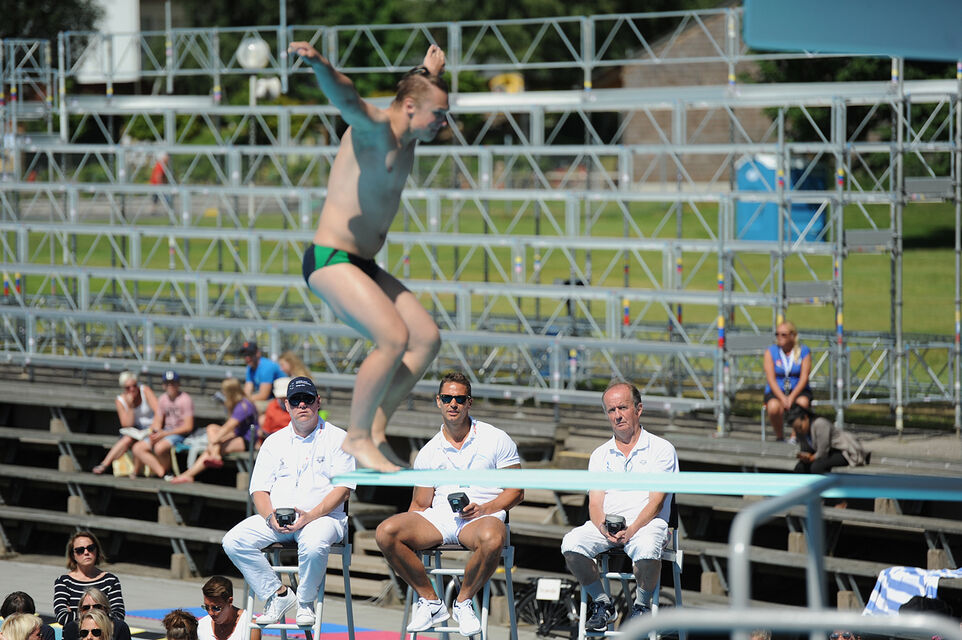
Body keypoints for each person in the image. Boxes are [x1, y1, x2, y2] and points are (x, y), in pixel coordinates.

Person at [287, 40, 449, 471]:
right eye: (438, 114)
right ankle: (356, 437)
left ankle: (375, 424)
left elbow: (416, 93)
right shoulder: (373, 129)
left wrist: (429, 74)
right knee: (393, 337)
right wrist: (320, 64)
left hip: (363, 264)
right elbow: (346, 97)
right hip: (330, 259)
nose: (442, 122)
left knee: (426, 338)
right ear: (411, 107)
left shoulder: (410, 131)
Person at [375, 371, 523, 637]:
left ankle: (463, 602)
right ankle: (431, 601)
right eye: (447, 398)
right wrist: (407, 543)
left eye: (459, 399)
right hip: (440, 519)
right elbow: (420, 504)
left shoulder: (496, 438)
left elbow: (517, 491)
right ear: (438, 401)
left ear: (469, 402)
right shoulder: (429, 451)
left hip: (481, 518)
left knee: (493, 537)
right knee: (386, 532)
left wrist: (485, 508)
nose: (453, 404)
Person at [222, 376, 355, 627]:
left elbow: (343, 490)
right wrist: (269, 517)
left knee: (314, 543)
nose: (302, 405)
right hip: (278, 519)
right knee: (233, 541)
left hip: (324, 518)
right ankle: (278, 594)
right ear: (287, 405)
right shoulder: (274, 441)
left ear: (318, 401)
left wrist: (310, 516)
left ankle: (305, 602)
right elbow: (259, 490)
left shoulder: (339, 438)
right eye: (295, 400)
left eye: (307, 399)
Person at [561, 379, 679, 631]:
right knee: (571, 544)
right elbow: (595, 504)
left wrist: (632, 529)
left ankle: (641, 607)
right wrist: (603, 528)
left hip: (647, 524)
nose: (617, 415)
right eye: (611, 410)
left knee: (647, 548)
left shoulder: (661, 449)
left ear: (638, 409)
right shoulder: (599, 454)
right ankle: (603, 603)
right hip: (609, 525)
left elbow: (657, 502)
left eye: (622, 408)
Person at [170, 378, 257, 484]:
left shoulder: (244, 406)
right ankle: (215, 455)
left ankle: (188, 475)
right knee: (211, 428)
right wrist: (216, 441)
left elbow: (228, 427)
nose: (223, 393)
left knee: (210, 449)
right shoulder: (235, 403)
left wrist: (213, 442)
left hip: (247, 440)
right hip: (236, 434)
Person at [131, 370, 194, 480]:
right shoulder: (163, 399)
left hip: (180, 433)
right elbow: (158, 421)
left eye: (173, 383)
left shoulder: (185, 399)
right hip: (166, 431)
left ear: (178, 384)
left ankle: (166, 472)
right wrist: (153, 432)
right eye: (167, 383)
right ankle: (163, 473)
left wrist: (164, 433)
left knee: (159, 448)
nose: (170, 386)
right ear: (163, 385)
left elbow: (188, 427)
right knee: (137, 448)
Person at [53, 531, 125, 626]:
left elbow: (118, 616)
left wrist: (77, 613)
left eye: (90, 548)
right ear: (73, 555)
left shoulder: (111, 581)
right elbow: (62, 617)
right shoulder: (63, 582)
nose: (86, 552)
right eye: (80, 550)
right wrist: (102, 613)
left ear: (97, 550)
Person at [93, 371, 159, 475]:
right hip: (135, 429)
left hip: (151, 426)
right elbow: (126, 424)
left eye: (134, 386)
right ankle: (105, 464)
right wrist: (131, 406)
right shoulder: (120, 400)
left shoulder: (145, 390)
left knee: (138, 443)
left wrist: (154, 427)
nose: (132, 389)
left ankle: (136, 472)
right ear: (124, 388)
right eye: (128, 387)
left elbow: (158, 410)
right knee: (127, 439)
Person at [763, 320, 813, 441]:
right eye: (777, 334)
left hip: (797, 390)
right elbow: (770, 378)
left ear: (792, 335)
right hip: (778, 390)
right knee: (773, 406)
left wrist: (791, 397)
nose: (779, 337)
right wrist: (782, 398)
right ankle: (780, 436)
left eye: (783, 334)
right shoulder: (771, 351)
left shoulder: (803, 351)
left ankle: (795, 436)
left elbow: (804, 377)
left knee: (802, 403)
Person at [787, 404, 869, 474]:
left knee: (817, 467)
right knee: (800, 467)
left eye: (800, 427)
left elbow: (822, 452)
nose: (799, 431)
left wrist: (810, 458)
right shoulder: (800, 432)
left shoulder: (820, 424)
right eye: (796, 429)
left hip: (842, 451)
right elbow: (807, 451)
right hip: (824, 454)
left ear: (805, 418)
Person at [61, 589, 130, 640]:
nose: (91, 610)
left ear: (106, 609)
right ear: (80, 611)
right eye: (86, 608)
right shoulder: (72, 628)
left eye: (97, 607)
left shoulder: (120, 627)